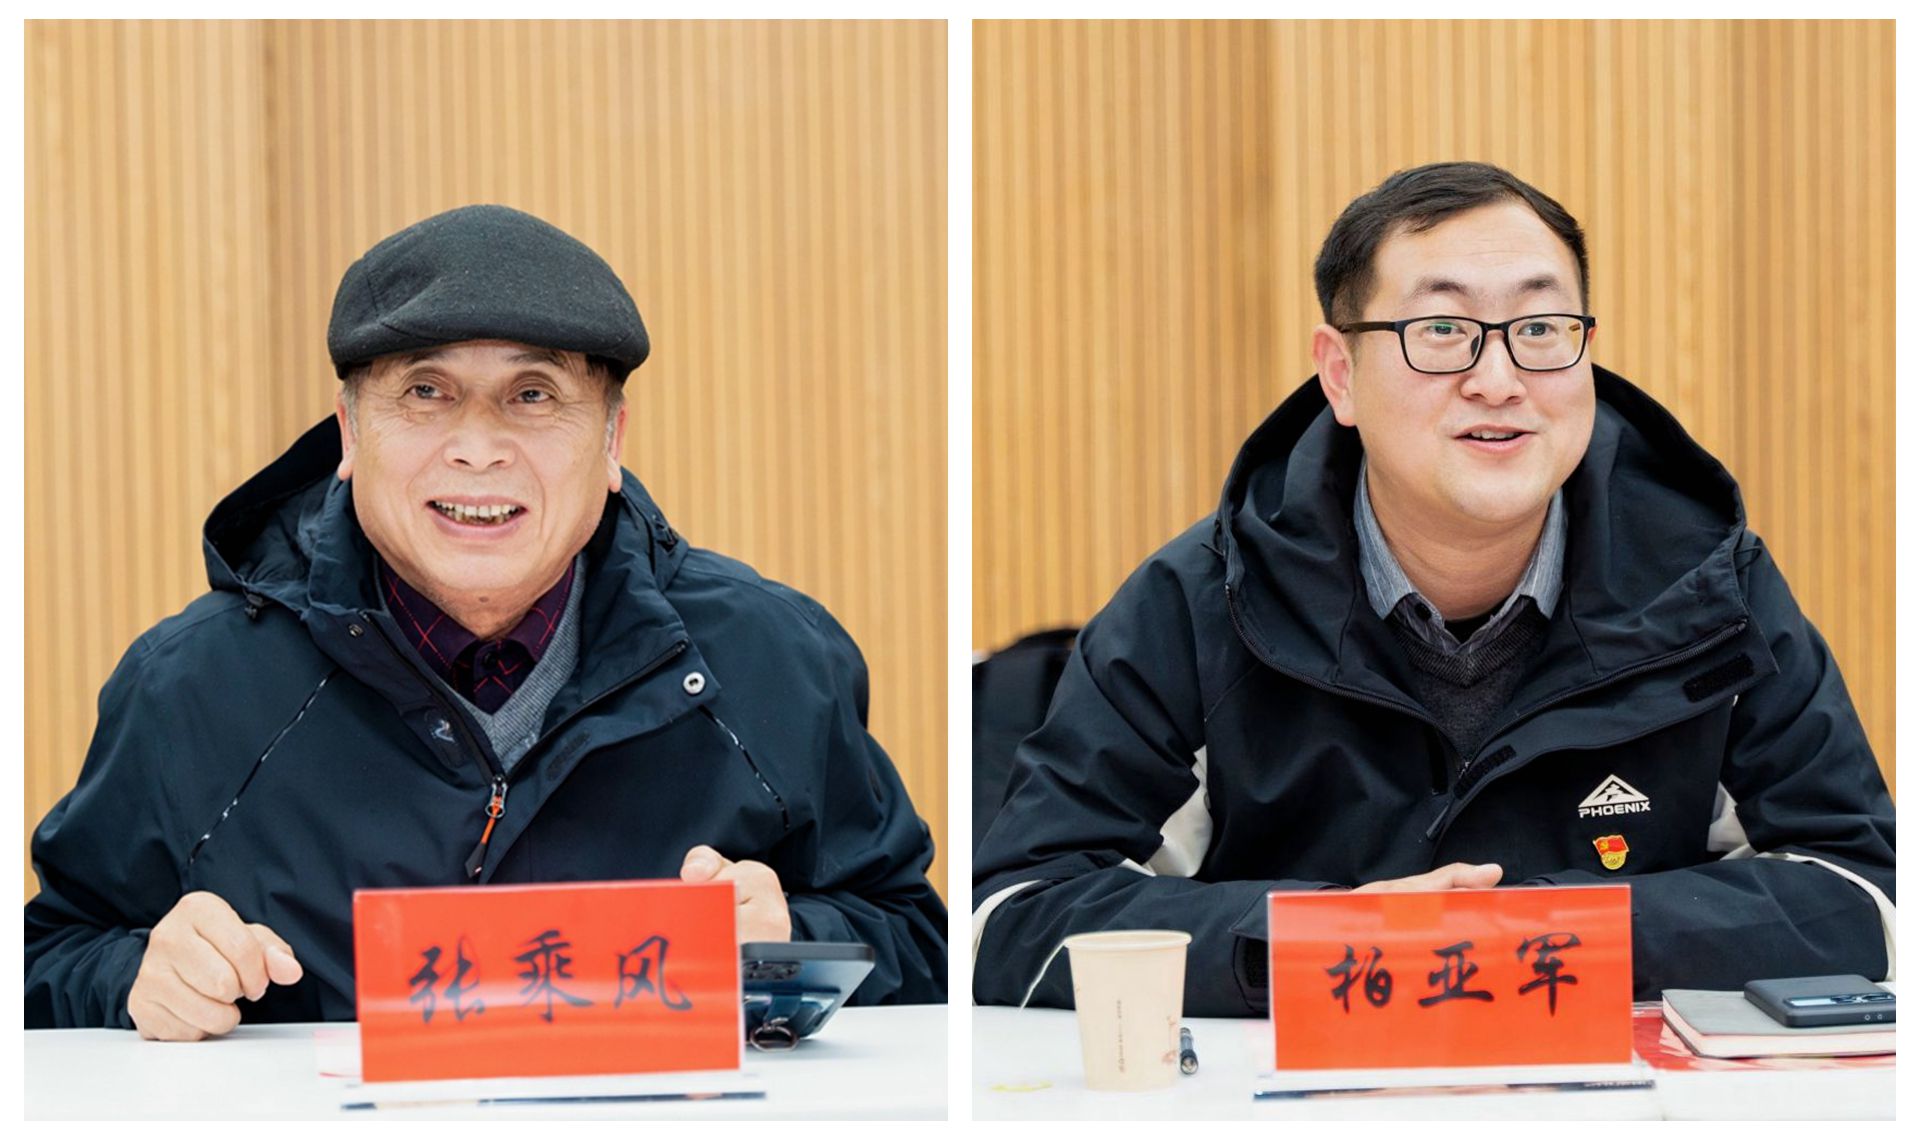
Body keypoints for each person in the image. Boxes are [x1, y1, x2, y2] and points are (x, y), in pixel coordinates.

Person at [971, 162, 1895, 1016]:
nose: (1498, 380)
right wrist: (1337, 942)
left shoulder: (1707, 587)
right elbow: (1017, 917)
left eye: (1540, 329)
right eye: (1442, 332)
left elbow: (1867, 891)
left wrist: (1539, 937)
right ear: (1341, 375)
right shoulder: (1202, 601)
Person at [26, 205, 947, 1038]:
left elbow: (916, 944)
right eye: (425, 392)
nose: (477, 448)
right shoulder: (191, 688)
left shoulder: (773, 660)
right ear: (349, 434)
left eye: (532, 395)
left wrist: (788, 947)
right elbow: (47, 960)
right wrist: (133, 979)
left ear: (612, 442)